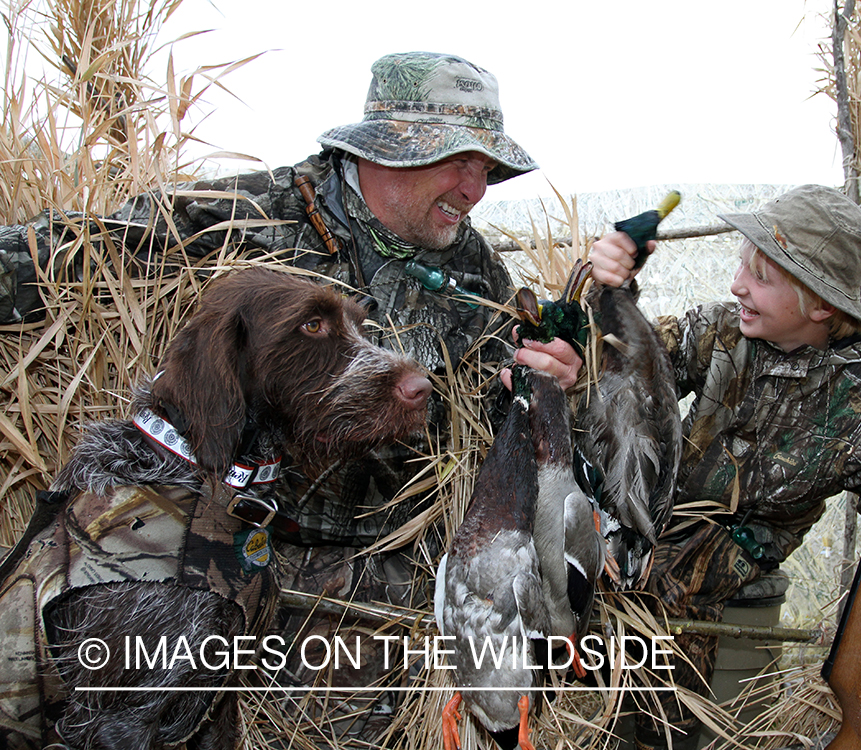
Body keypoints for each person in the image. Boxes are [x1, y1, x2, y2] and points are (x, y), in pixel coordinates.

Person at [0, 50, 580, 544]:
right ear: (390, 149)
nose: (474, 190)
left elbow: (486, 411)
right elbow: (75, 250)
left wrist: (537, 383)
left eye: (485, 168)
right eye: (457, 162)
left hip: (394, 559)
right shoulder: (245, 215)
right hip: (231, 539)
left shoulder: (480, 273)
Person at [588, 184, 861, 750]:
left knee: (703, 724)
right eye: (742, 264)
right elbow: (623, 366)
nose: (738, 283)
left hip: (729, 586)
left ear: (821, 305)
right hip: (644, 558)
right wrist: (614, 287)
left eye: (761, 276)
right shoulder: (720, 332)